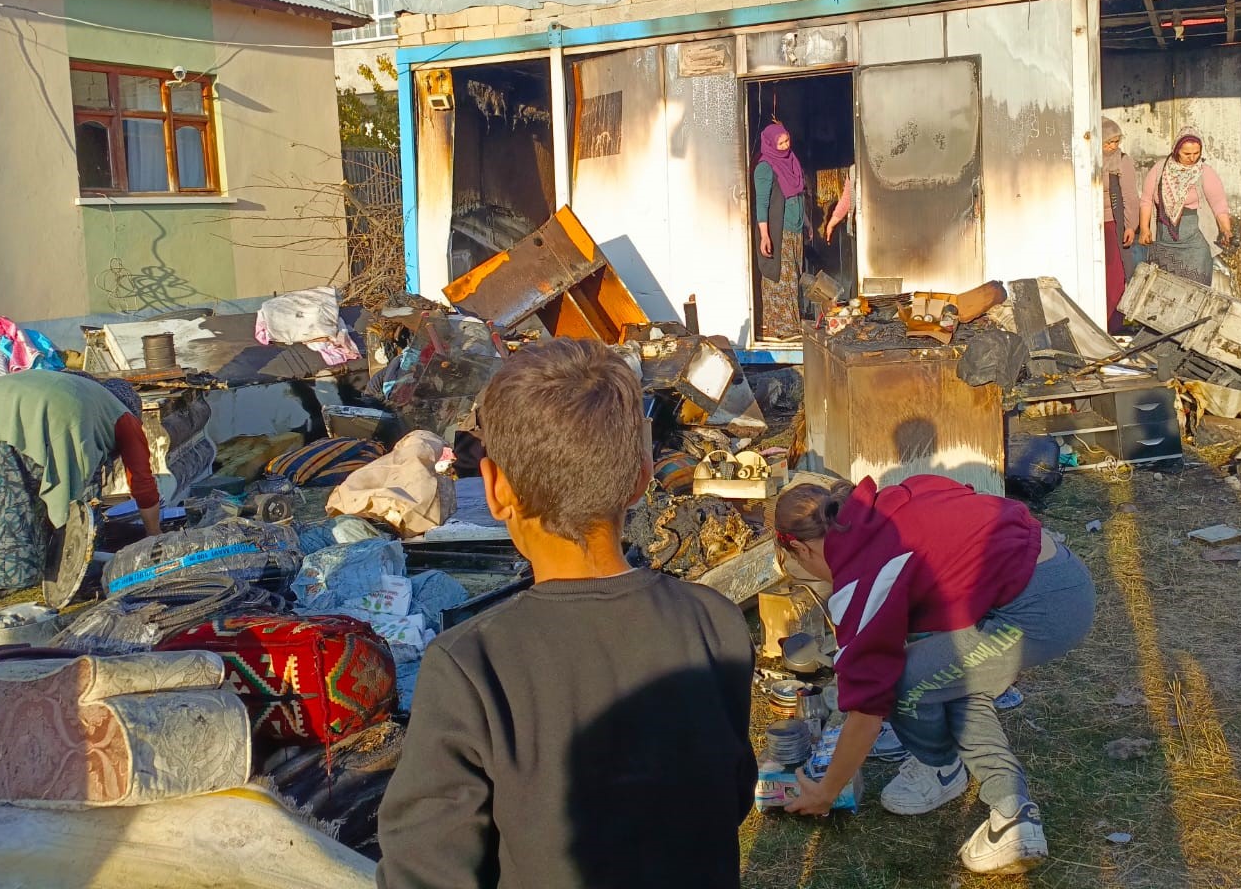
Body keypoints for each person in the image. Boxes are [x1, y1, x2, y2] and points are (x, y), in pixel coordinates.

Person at [376, 338, 756, 889]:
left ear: (496, 488)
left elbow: (427, 871)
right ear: (641, 478)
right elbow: (730, 795)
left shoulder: (469, 667)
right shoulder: (715, 624)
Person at [774, 475, 1095, 875]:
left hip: (1041, 613)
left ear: (800, 547)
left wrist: (827, 791)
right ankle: (957, 773)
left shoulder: (863, 575)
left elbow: (869, 707)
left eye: (798, 562)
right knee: (946, 676)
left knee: (906, 680)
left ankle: (994, 804)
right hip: (1053, 571)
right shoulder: (883, 506)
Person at [0, 369, 160, 601]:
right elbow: (142, 482)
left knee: (5, 496)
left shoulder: (86, 390)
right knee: (78, 498)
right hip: (54, 412)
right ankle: (75, 574)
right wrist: (154, 535)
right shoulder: (123, 415)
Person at [1139, 130, 1232, 287]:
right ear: (1176, 150)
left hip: (1194, 243)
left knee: (1195, 290)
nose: (1192, 158)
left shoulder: (1204, 172)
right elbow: (1146, 200)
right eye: (1186, 153)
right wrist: (1144, 228)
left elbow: (1219, 204)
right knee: (1164, 290)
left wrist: (1226, 229)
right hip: (1164, 242)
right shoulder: (1160, 169)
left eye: (1196, 153)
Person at [754, 121, 809, 340]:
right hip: (779, 230)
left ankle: (792, 325)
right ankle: (778, 328)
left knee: (793, 276)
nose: (786, 146)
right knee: (781, 278)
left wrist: (806, 222)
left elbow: (797, 196)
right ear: (770, 144)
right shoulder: (765, 167)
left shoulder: (792, 161)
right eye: (781, 143)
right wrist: (765, 235)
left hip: (794, 230)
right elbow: (762, 203)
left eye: (787, 140)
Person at [1101, 119, 1140, 330]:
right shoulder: (1086, 159)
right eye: (1108, 142)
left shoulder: (1122, 161)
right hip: (1088, 225)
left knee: (1115, 275)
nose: (1113, 146)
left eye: (1116, 141)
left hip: (1111, 224)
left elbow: (1130, 196)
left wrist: (1130, 226)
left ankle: (1112, 323)